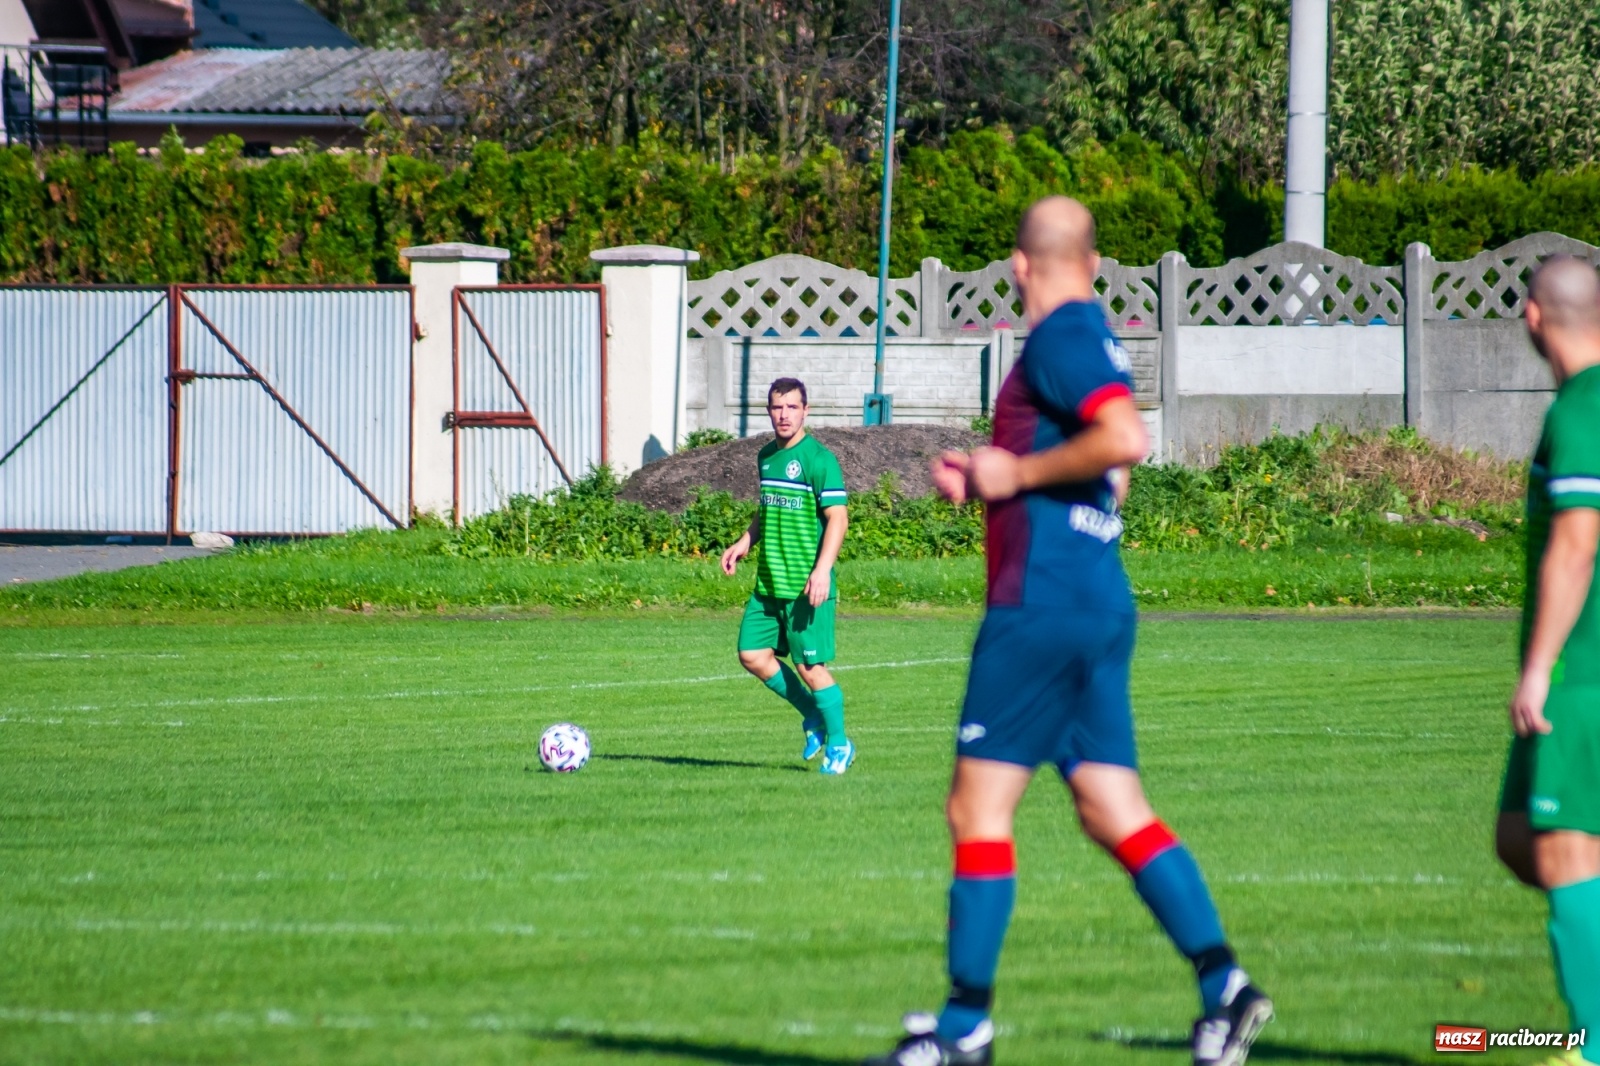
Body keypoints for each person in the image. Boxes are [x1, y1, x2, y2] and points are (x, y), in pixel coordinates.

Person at [865, 197, 1271, 1066]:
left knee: (978, 806)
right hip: (1095, 599)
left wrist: (1011, 471)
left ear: (1019, 266)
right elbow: (1110, 468)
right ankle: (1224, 986)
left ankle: (964, 1031)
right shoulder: (1094, 338)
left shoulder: (1058, 336)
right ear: (1092, 259)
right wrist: (993, 476)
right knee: (1110, 806)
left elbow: (1125, 438)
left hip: (1039, 605)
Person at [1494, 255, 1600, 1066]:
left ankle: (1590, 1046)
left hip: (1584, 674)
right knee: (1521, 837)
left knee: (1564, 849)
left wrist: (1539, 667)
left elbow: (1574, 544)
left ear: (1533, 316)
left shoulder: (1582, 409)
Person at [721, 378, 855, 775]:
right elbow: (767, 509)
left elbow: (838, 518)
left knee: (810, 669)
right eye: (777, 408)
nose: (784, 415)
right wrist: (745, 541)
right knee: (752, 654)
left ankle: (841, 744)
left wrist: (822, 571)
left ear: (805, 411)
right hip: (768, 584)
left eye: (792, 407)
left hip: (804, 586)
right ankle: (813, 717)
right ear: (769, 412)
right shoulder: (765, 457)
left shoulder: (818, 459)